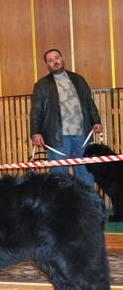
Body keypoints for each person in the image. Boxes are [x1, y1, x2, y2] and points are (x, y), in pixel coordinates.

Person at [30, 48, 103, 186]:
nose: (55, 62)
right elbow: (36, 110)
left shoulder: (79, 79)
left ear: (62, 58)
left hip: (82, 135)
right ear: (47, 65)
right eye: (50, 60)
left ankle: (86, 206)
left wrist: (96, 121)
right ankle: (59, 207)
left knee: (85, 173)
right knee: (59, 177)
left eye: (57, 58)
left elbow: (89, 103)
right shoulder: (41, 85)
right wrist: (35, 132)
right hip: (58, 138)